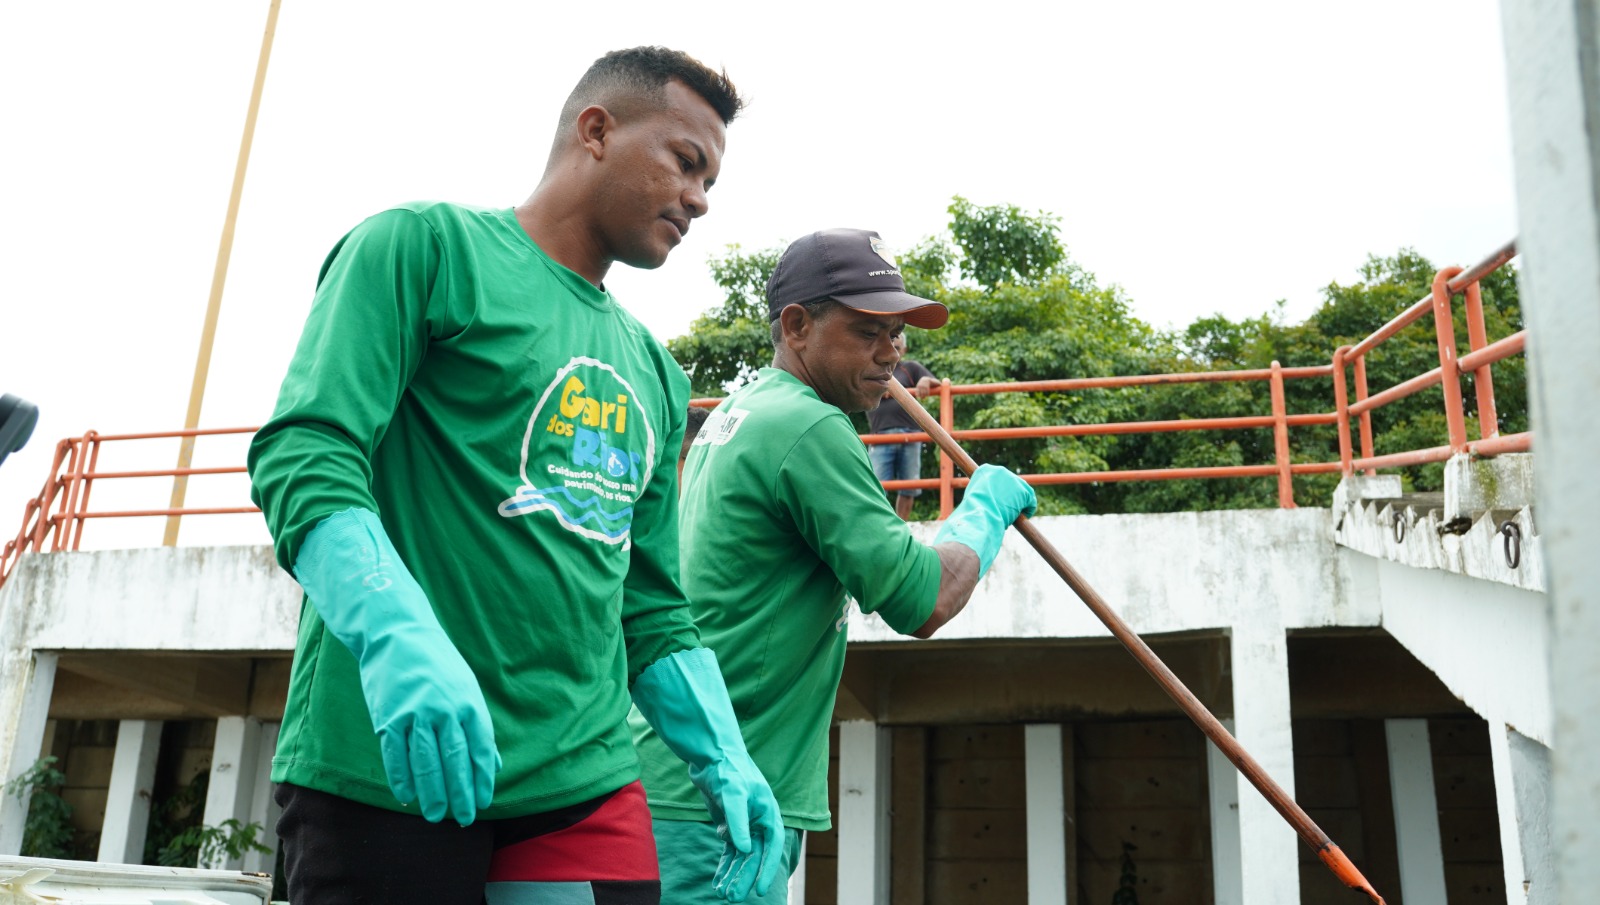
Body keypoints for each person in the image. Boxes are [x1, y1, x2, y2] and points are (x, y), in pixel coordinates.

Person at [248, 47, 784, 905]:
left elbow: (649, 603)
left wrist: (724, 754)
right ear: (597, 130)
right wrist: (397, 637)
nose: (699, 199)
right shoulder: (424, 248)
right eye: (686, 162)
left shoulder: (654, 369)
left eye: (711, 180)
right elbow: (306, 453)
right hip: (395, 765)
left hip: (583, 780)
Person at [631, 228, 1037, 904]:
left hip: (679, 786)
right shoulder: (811, 427)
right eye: (867, 331)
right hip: (723, 809)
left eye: (898, 333)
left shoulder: (744, 410)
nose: (892, 353)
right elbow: (925, 599)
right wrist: (983, 513)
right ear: (796, 326)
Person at [865, 333, 939, 519]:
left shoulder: (910, 368)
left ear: (903, 350)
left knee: (909, 487)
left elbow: (937, 383)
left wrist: (925, 380)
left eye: (896, 347)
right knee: (875, 486)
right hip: (880, 435)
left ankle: (902, 525)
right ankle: (878, 525)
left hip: (910, 434)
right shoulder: (872, 367)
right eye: (888, 345)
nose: (892, 350)